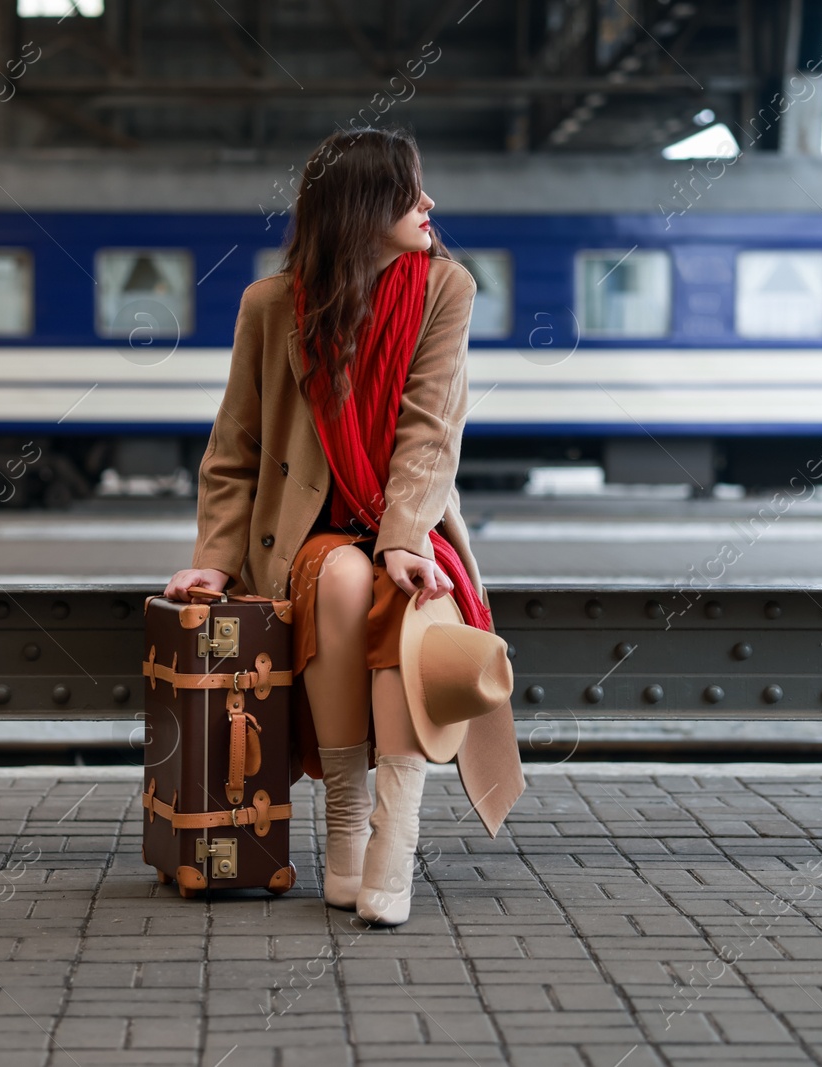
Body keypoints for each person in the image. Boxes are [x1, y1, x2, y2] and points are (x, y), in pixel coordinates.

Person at [165, 126, 522, 926]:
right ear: (362, 208)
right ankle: (347, 827)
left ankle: (394, 844)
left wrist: (403, 535)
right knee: (341, 574)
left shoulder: (444, 289)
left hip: (405, 519)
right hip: (303, 539)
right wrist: (215, 561)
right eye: (409, 192)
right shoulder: (271, 305)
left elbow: (432, 429)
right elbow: (236, 446)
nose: (428, 205)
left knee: (394, 590)